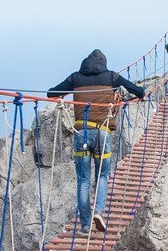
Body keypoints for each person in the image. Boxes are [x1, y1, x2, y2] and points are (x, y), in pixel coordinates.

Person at [47, 49, 146, 231]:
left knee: (83, 180)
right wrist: (141, 94)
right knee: (102, 175)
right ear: (104, 64)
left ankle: (85, 225)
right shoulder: (111, 77)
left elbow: (51, 93)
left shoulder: (74, 78)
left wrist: (63, 98)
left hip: (81, 133)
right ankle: (99, 211)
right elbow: (138, 91)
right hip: (102, 132)